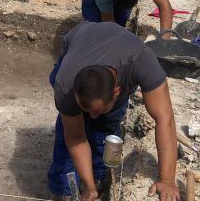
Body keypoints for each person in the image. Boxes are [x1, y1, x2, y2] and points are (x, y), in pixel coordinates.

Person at [47, 21, 179, 201]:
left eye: (98, 110)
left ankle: (100, 179)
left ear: (117, 92)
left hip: (121, 49)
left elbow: (165, 120)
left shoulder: (141, 61)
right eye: (86, 109)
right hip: (81, 40)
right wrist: (89, 187)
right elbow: (76, 138)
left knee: (104, 131)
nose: (92, 116)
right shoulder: (65, 85)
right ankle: (64, 190)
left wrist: (167, 179)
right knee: (66, 134)